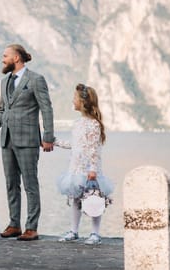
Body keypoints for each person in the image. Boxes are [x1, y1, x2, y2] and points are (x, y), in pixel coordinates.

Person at [0, 44, 54, 241]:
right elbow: (2, 111)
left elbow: (46, 109)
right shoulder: (4, 82)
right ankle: (14, 225)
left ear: (17, 58)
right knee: (11, 184)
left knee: (30, 184)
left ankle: (32, 227)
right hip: (7, 140)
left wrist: (48, 137)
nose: (2, 59)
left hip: (28, 140)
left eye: (5, 56)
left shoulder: (36, 79)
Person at [55, 83, 113, 245]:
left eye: (75, 98)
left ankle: (95, 233)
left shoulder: (93, 124)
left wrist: (93, 169)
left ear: (83, 102)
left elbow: (93, 148)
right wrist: (55, 142)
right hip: (75, 168)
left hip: (89, 169)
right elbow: (75, 144)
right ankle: (74, 231)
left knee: (94, 199)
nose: (72, 101)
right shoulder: (78, 123)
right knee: (75, 198)